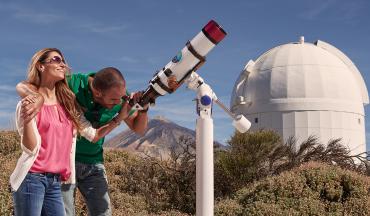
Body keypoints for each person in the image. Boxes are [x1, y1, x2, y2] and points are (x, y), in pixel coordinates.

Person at [10, 48, 130, 216]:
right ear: (40, 66)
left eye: (63, 61)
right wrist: (32, 109)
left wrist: (119, 118)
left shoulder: (68, 103)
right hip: (32, 178)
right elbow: (30, 148)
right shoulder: (29, 102)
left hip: (56, 181)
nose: (62, 64)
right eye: (56, 60)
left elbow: (93, 135)